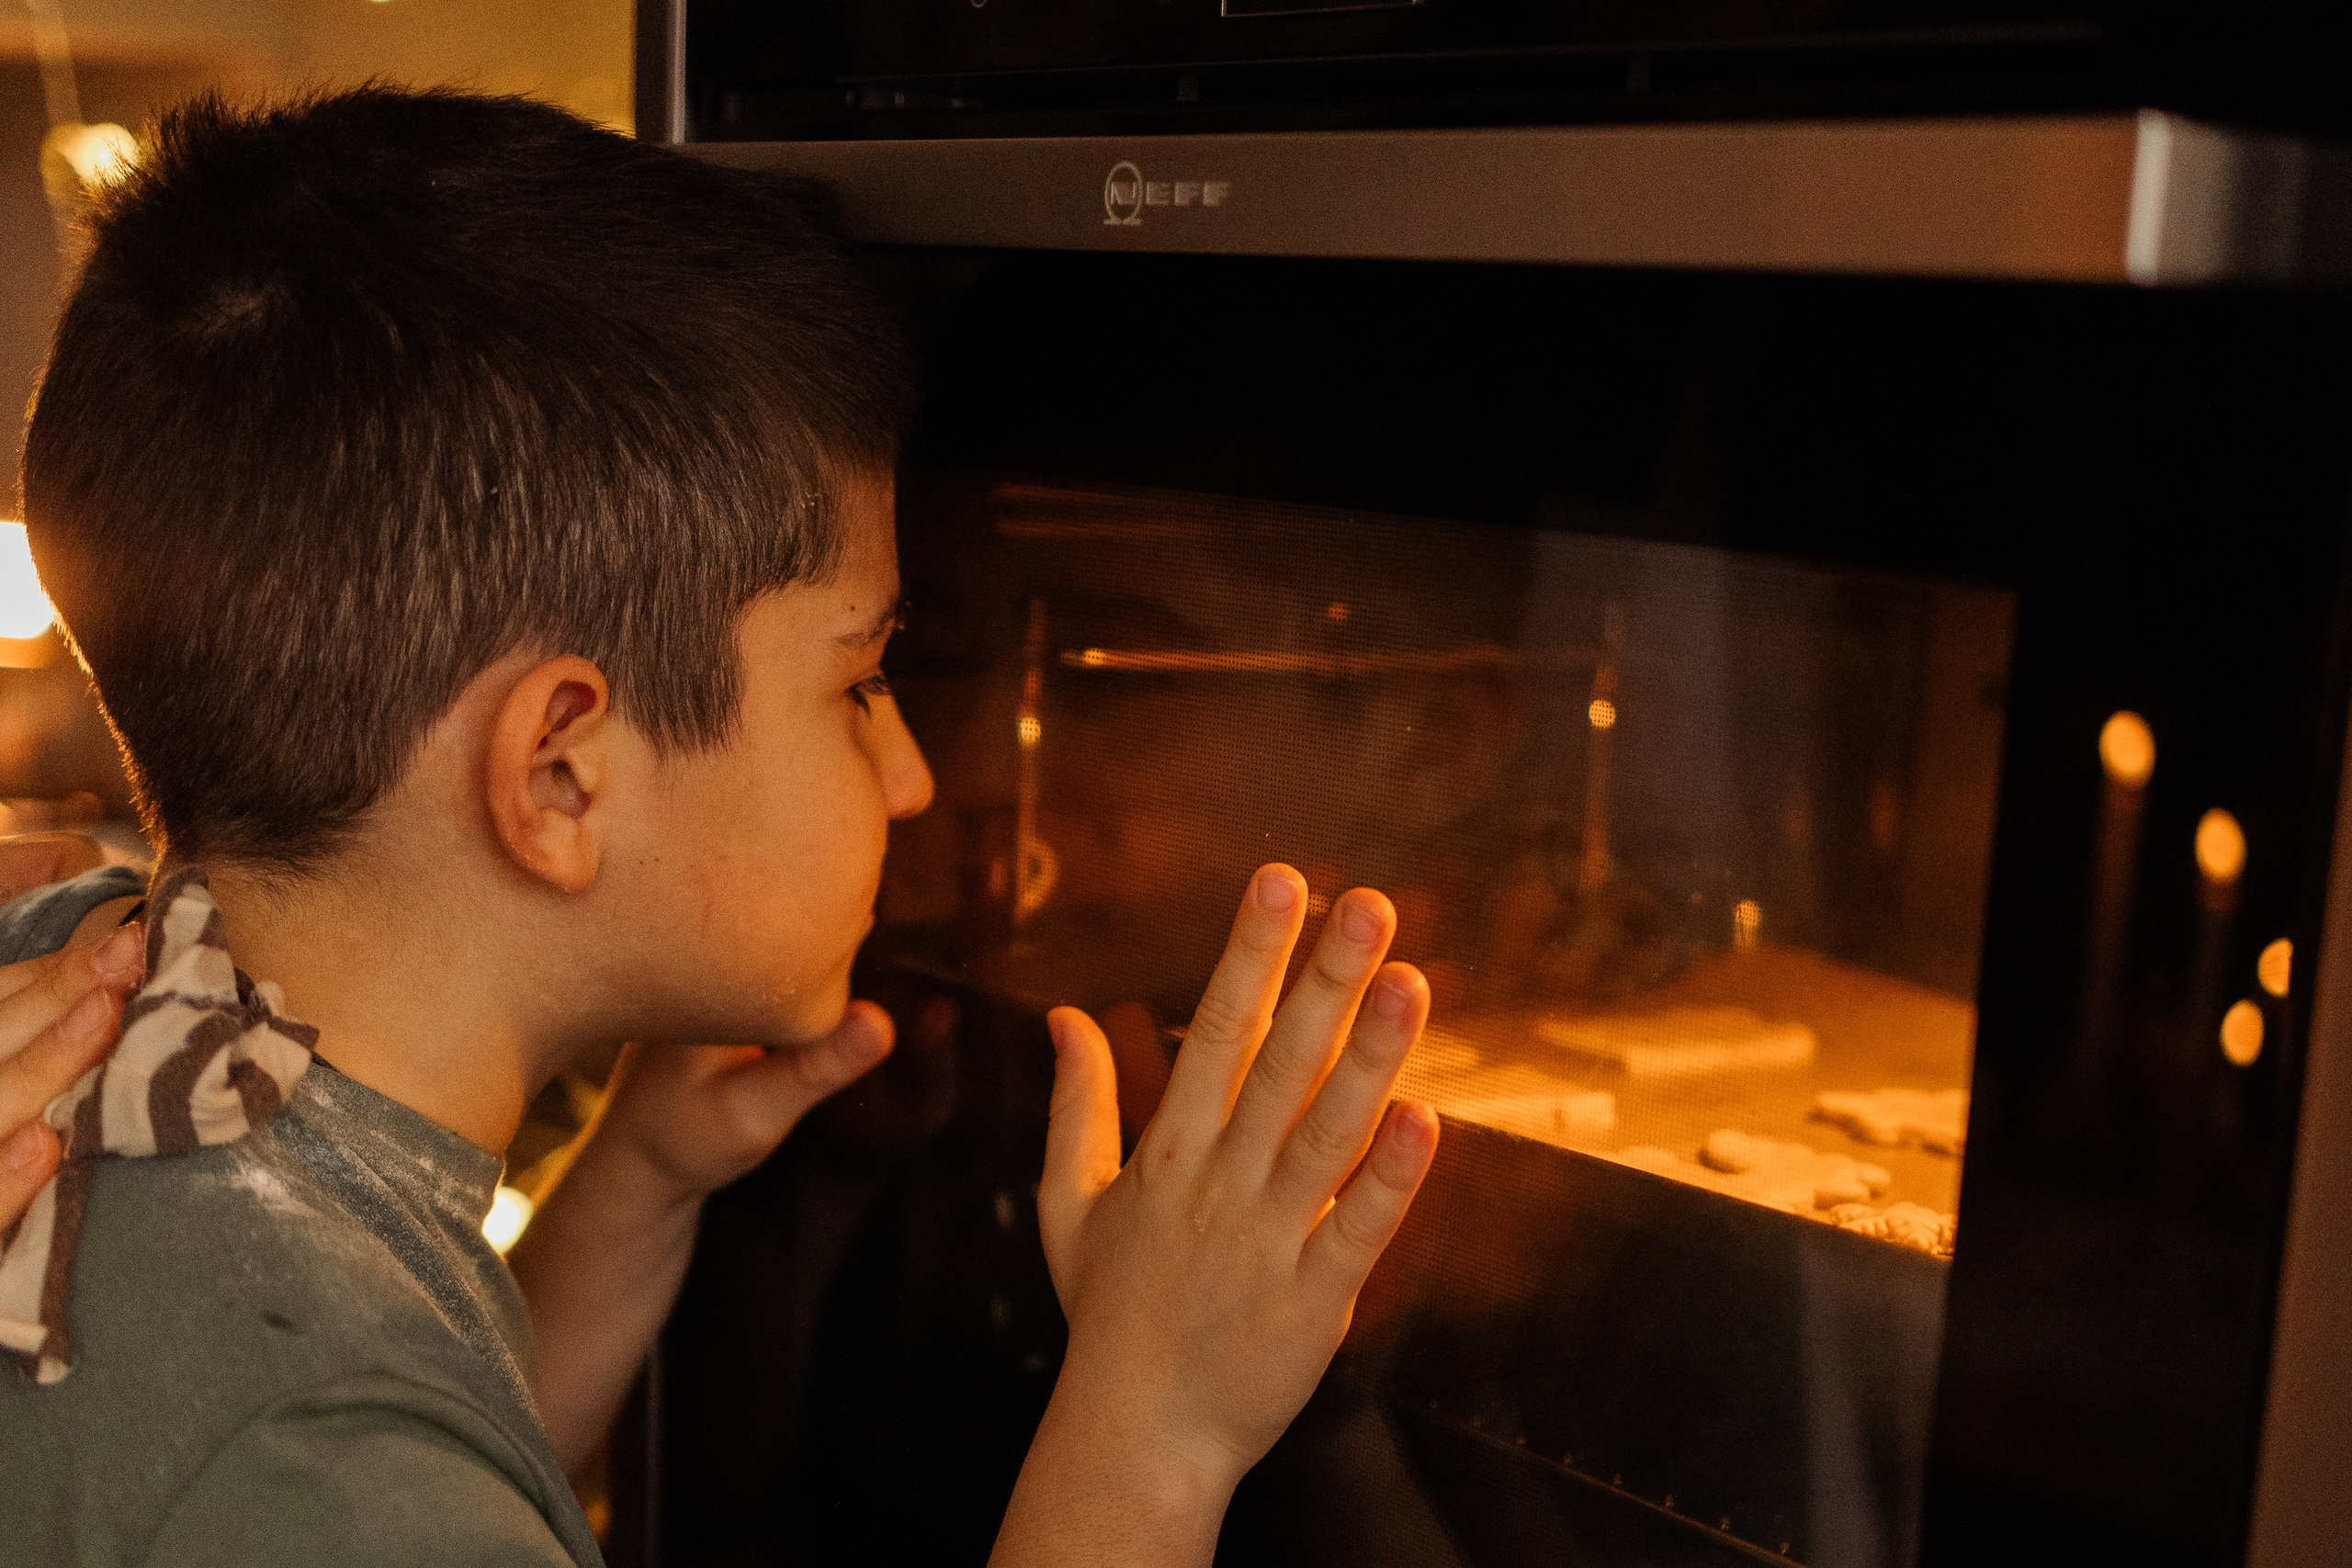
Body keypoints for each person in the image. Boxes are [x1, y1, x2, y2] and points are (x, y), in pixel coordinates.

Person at [0, 87, 1438, 1566]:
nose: (914, 779)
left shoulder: (67, 1004)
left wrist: (637, 1179)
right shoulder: (316, 1453)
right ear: (560, 776)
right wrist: (1159, 1425)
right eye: (862, 681)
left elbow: (416, 1459)